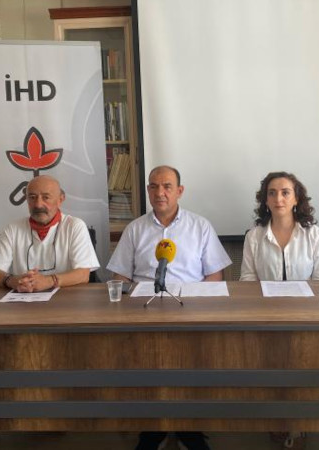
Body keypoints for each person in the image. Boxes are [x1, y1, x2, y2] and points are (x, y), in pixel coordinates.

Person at [107, 165, 231, 450]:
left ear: (179, 191)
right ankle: (154, 428)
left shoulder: (200, 226)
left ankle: (189, 428)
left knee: (191, 371)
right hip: (144, 310)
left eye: (166, 186)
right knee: (146, 371)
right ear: (148, 190)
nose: (159, 192)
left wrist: (197, 304)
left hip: (191, 309)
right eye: (153, 186)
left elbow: (215, 275)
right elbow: (120, 276)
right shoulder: (135, 229)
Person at [0, 175, 99, 292]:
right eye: (32, 197)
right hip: (23, 299)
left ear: (60, 200)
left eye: (46, 197)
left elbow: (83, 274)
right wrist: (12, 281)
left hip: (65, 299)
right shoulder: (13, 229)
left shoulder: (74, 226)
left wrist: (49, 281)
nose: (38, 204)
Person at [241, 171, 319, 281]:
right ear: (266, 200)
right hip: (264, 293)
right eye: (272, 193)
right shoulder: (253, 236)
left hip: (308, 293)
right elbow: (248, 279)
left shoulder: (314, 234)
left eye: (285, 193)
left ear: (296, 199)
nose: (278, 199)